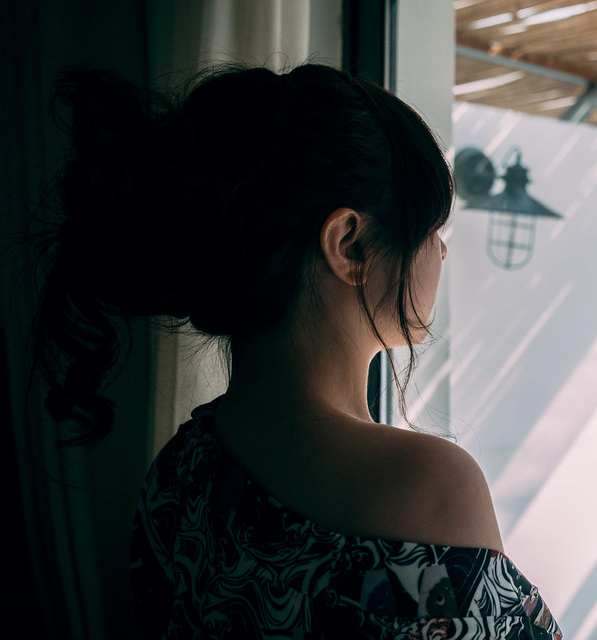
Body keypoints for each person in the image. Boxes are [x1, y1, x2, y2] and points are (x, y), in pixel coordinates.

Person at [38, 64, 562, 639]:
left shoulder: (180, 471)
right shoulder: (424, 486)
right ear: (350, 244)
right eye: (432, 227)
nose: (440, 252)